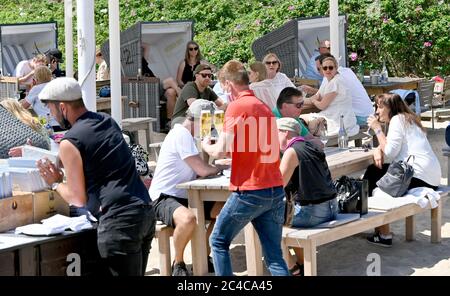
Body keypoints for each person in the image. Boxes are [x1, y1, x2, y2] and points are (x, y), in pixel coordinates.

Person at [36, 77, 156, 276]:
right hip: (144, 211)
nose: (51, 115)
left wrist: (55, 182)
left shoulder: (70, 142)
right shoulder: (106, 121)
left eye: (51, 109)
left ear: (63, 107)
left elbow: (77, 198)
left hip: (119, 222)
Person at [202, 60, 289, 276]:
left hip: (250, 190)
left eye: (223, 88)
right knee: (274, 256)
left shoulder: (236, 106)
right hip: (274, 188)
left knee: (218, 240)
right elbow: (262, 148)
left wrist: (206, 145)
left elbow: (220, 150)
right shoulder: (263, 107)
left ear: (229, 84)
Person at [149, 99, 227, 276]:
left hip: (184, 195)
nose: (212, 125)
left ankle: (203, 256)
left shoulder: (189, 136)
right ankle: (179, 262)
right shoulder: (181, 135)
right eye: (210, 121)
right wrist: (220, 167)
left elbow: (200, 169)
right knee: (188, 219)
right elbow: (202, 169)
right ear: (200, 120)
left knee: (224, 211)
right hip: (163, 196)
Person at [364, 93, 441, 247]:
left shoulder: (396, 120)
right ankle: (381, 230)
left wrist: (377, 129)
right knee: (376, 171)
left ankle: (383, 233)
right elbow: (397, 146)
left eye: (380, 107)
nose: (377, 111)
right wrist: (379, 147)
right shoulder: (408, 118)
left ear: (390, 108)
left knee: (373, 173)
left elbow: (391, 152)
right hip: (431, 176)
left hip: (417, 176)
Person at [277, 117, 338, 275]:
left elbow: (277, 186)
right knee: (287, 213)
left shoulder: (291, 152)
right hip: (332, 208)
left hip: (313, 213)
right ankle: (301, 263)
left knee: (263, 221)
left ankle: (292, 268)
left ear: (285, 133)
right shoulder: (312, 146)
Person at [301, 53, 374, 126]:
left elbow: (320, 101)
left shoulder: (331, 77)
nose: (319, 72)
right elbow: (328, 95)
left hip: (357, 117)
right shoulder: (347, 71)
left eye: (319, 69)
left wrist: (294, 101)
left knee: (307, 122)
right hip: (368, 114)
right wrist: (313, 92)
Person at [302, 55, 359, 136]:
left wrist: (313, 100)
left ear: (336, 68)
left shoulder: (335, 82)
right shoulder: (332, 79)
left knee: (303, 121)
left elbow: (322, 105)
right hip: (344, 117)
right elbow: (319, 95)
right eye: (325, 68)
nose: (328, 70)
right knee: (305, 121)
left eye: (330, 67)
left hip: (340, 120)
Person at [141, 43, 180, 123]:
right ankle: (184, 98)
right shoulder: (135, 65)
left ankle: (170, 121)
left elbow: (146, 46)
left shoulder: (142, 60)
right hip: (150, 87)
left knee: (171, 92)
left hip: (157, 86)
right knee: (170, 80)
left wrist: (137, 42)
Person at [21, 66, 62, 132]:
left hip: (47, 125)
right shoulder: (56, 86)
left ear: (36, 78)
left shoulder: (37, 88)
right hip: (60, 122)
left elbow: (23, 106)